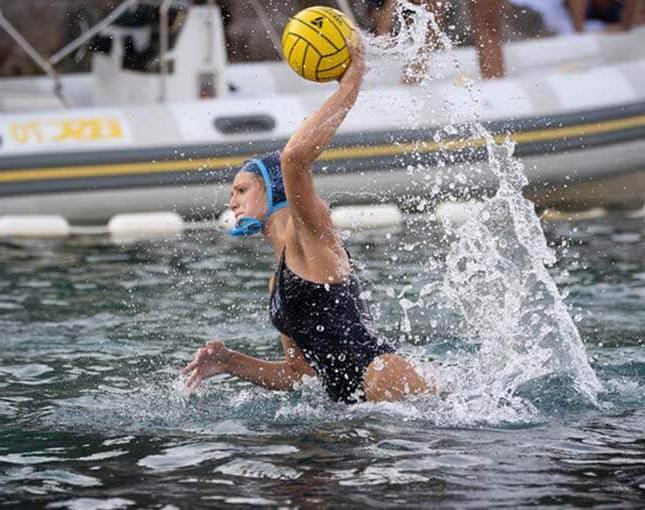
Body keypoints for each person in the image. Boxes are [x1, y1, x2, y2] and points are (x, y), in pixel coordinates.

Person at [182, 35, 433, 404]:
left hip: (384, 380)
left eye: (241, 190)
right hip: (353, 408)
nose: (231, 202)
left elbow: (294, 158)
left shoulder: (312, 235)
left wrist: (352, 79)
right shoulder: (278, 280)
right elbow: (299, 374)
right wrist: (230, 362)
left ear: (273, 189)